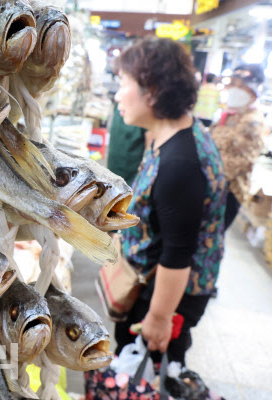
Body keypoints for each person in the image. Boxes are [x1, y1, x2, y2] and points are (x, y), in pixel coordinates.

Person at [111, 37, 227, 366]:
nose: (117, 95)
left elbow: (178, 252)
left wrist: (159, 319)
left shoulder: (180, 162)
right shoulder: (173, 136)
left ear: (153, 89)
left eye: (124, 84)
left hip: (166, 295)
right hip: (155, 284)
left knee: (143, 372)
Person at [210, 64, 267, 230]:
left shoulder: (252, 122)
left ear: (253, 92)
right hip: (213, 188)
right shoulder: (230, 115)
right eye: (233, 84)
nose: (234, 90)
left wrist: (207, 171)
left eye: (240, 86)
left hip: (226, 193)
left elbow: (241, 162)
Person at [107, 102, 146, 186]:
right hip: (114, 160)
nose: (117, 96)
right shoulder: (120, 103)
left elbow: (149, 144)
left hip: (130, 167)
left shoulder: (143, 111)